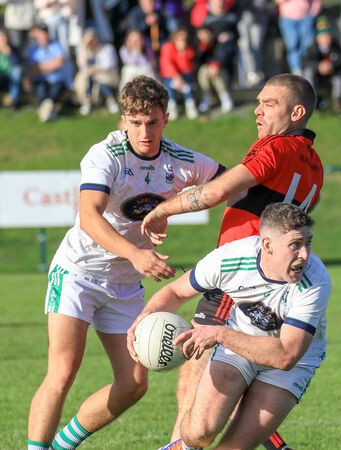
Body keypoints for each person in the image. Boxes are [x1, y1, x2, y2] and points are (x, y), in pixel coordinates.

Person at [26, 75, 226, 450]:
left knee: (134, 384)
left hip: (123, 284)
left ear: (166, 119)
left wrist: (170, 206)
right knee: (63, 371)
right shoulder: (106, 155)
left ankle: (62, 445)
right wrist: (136, 254)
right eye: (135, 122)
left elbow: (229, 185)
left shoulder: (181, 161)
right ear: (123, 120)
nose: (144, 131)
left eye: (152, 121)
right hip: (77, 272)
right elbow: (89, 216)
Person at [141, 73, 323, 450]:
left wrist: (164, 209)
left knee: (196, 370)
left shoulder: (275, 147)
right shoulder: (315, 163)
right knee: (229, 372)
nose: (257, 110)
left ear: (297, 112)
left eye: (268, 104)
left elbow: (219, 191)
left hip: (239, 277)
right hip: (270, 282)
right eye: (257, 102)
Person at [129, 203, 331, 450]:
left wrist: (220, 333)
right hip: (239, 346)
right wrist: (145, 318)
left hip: (293, 363)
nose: (305, 255)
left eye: (308, 243)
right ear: (267, 245)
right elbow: (175, 292)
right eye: (296, 245)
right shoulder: (231, 258)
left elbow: (286, 355)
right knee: (197, 433)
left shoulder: (315, 281)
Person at [26, 23, 70, 122]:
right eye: (41, 34)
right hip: (41, 80)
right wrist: (51, 65)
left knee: (53, 94)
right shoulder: (33, 49)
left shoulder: (56, 45)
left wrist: (42, 66)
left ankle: (46, 112)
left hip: (57, 79)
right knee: (42, 93)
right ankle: (50, 111)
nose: (44, 36)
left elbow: (59, 62)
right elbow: (34, 68)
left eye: (45, 33)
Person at [302, 19, 341, 113]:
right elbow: (305, 62)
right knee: (308, 72)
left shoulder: (335, 46)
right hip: (317, 76)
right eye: (324, 37)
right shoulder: (312, 48)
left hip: (331, 74)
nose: (327, 39)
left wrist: (331, 65)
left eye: (328, 36)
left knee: (340, 74)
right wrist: (318, 66)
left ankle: (337, 100)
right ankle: (310, 100)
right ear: (318, 38)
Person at [74, 28, 120, 116]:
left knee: (98, 79)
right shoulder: (84, 51)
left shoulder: (107, 49)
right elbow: (82, 65)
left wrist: (91, 69)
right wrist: (84, 46)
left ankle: (110, 100)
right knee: (87, 78)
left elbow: (107, 66)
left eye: (92, 39)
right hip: (92, 77)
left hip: (108, 76)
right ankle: (87, 101)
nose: (91, 42)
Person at [194, 25, 235, 115]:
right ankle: (206, 98)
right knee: (204, 71)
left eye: (206, 34)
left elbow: (224, 57)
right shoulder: (199, 46)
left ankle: (225, 98)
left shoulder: (221, 42)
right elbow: (197, 61)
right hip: (206, 73)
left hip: (222, 72)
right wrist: (203, 48)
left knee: (216, 73)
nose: (204, 37)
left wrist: (216, 65)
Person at [159, 28, 198, 120]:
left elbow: (187, 68)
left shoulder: (189, 50)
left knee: (187, 84)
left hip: (184, 75)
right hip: (170, 75)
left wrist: (182, 53)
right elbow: (167, 64)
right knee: (169, 86)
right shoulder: (167, 47)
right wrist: (176, 77)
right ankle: (172, 108)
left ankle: (190, 106)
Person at [275, 0, 321, 75]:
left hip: (306, 17)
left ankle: (307, 68)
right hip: (287, 18)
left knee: (307, 45)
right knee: (292, 45)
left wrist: (313, 12)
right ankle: (296, 70)